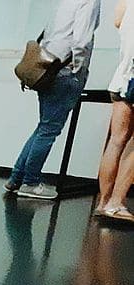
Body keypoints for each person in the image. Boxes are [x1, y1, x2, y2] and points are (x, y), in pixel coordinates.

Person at [6, 0, 101, 200]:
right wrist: (78, 70)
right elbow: (81, 41)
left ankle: (16, 178)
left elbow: (48, 34)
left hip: (47, 69)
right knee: (49, 130)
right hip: (65, 72)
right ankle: (30, 182)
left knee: (43, 127)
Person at [96, 0, 134, 219]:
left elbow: (117, 22)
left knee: (116, 140)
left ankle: (103, 203)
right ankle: (116, 203)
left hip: (121, 77)